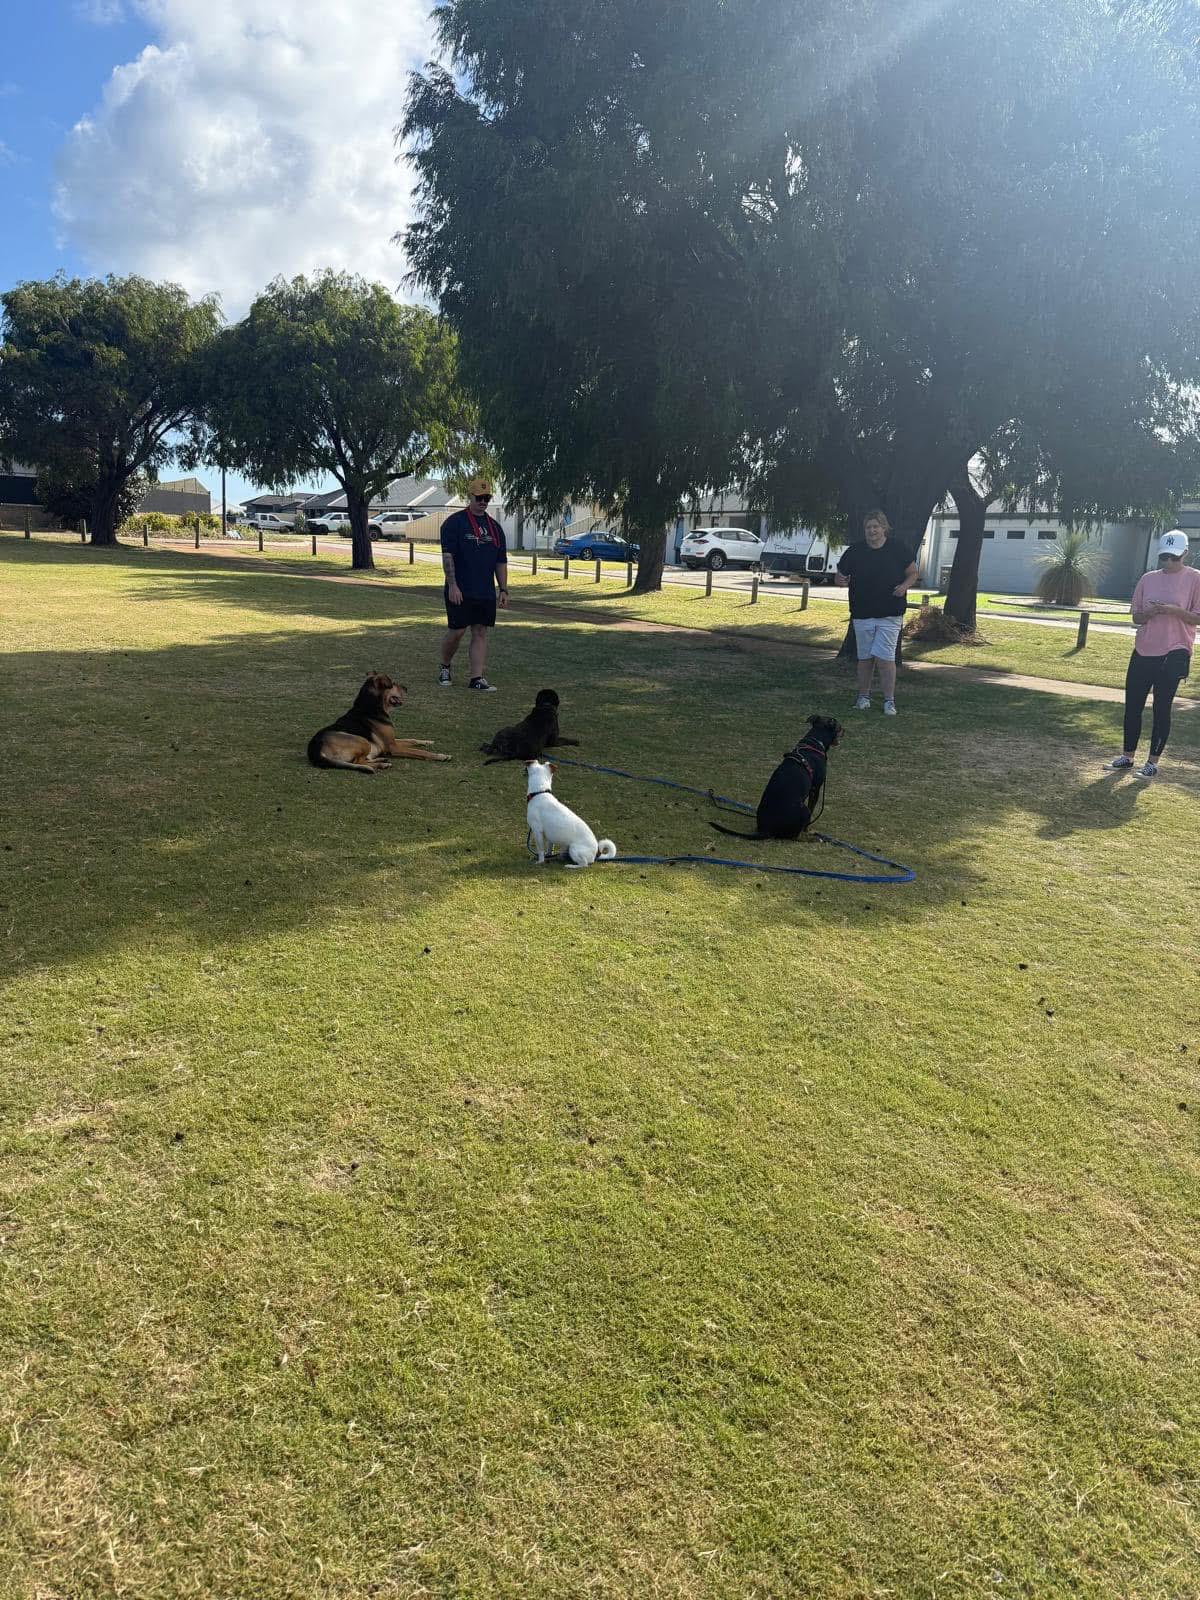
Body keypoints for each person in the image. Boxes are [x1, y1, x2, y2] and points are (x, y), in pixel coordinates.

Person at [1106, 529, 1200, 779]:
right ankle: (1127, 757)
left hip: (1175, 651)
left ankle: (1152, 763)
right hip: (1144, 649)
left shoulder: (1195, 579)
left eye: (1173, 557)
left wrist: (1173, 610)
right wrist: (1149, 613)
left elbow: (1197, 617)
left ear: (1185, 554)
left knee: (1161, 708)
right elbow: (1136, 617)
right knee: (1132, 706)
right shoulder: (1148, 579)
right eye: (1164, 557)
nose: (1168, 562)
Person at [835, 510, 919, 716]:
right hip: (862, 612)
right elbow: (839, 575)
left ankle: (889, 701)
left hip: (890, 612)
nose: (872, 531)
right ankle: (863, 697)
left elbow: (913, 573)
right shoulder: (855, 551)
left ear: (884, 528)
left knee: (885, 658)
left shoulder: (898, 548)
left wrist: (904, 587)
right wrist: (840, 580)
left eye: (876, 526)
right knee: (865, 658)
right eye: (868, 527)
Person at [438, 476, 509, 691]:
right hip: (460, 589)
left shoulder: (495, 528)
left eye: (487, 498)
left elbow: (500, 561)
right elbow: (447, 556)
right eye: (479, 498)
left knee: (480, 632)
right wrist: (453, 585)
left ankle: (476, 678)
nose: (483, 502)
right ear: (470, 496)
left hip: (484, 591)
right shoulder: (454, 523)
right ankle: (445, 666)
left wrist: (503, 589)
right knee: (457, 631)